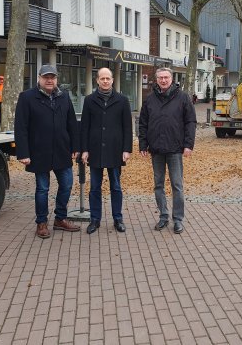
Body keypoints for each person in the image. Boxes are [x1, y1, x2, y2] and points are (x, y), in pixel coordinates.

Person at [14, 64, 81, 238]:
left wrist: (75, 146)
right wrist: (23, 153)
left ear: (57, 79)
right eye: (46, 77)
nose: (49, 80)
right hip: (39, 151)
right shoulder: (27, 97)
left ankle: (60, 219)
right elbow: (21, 127)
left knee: (66, 184)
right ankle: (41, 222)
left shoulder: (64, 97)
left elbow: (72, 124)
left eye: (52, 77)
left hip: (62, 150)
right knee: (42, 188)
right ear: (39, 78)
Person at [138, 68, 196, 234]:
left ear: (172, 79)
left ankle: (177, 219)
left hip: (175, 149)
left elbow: (190, 122)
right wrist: (143, 144)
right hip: (156, 149)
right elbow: (143, 123)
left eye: (166, 77)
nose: (163, 80)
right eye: (160, 78)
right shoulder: (149, 99)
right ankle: (163, 216)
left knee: (177, 185)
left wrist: (188, 145)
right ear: (156, 80)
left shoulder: (183, 97)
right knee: (158, 185)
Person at [80, 67, 133, 234]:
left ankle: (118, 218)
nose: (105, 81)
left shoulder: (122, 100)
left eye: (107, 78)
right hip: (95, 150)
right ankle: (95, 219)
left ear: (112, 80)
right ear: (97, 80)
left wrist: (127, 149)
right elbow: (84, 127)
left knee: (116, 187)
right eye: (102, 78)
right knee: (95, 187)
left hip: (115, 150)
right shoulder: (89, 100)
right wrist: (84, 149)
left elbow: (127, 127)